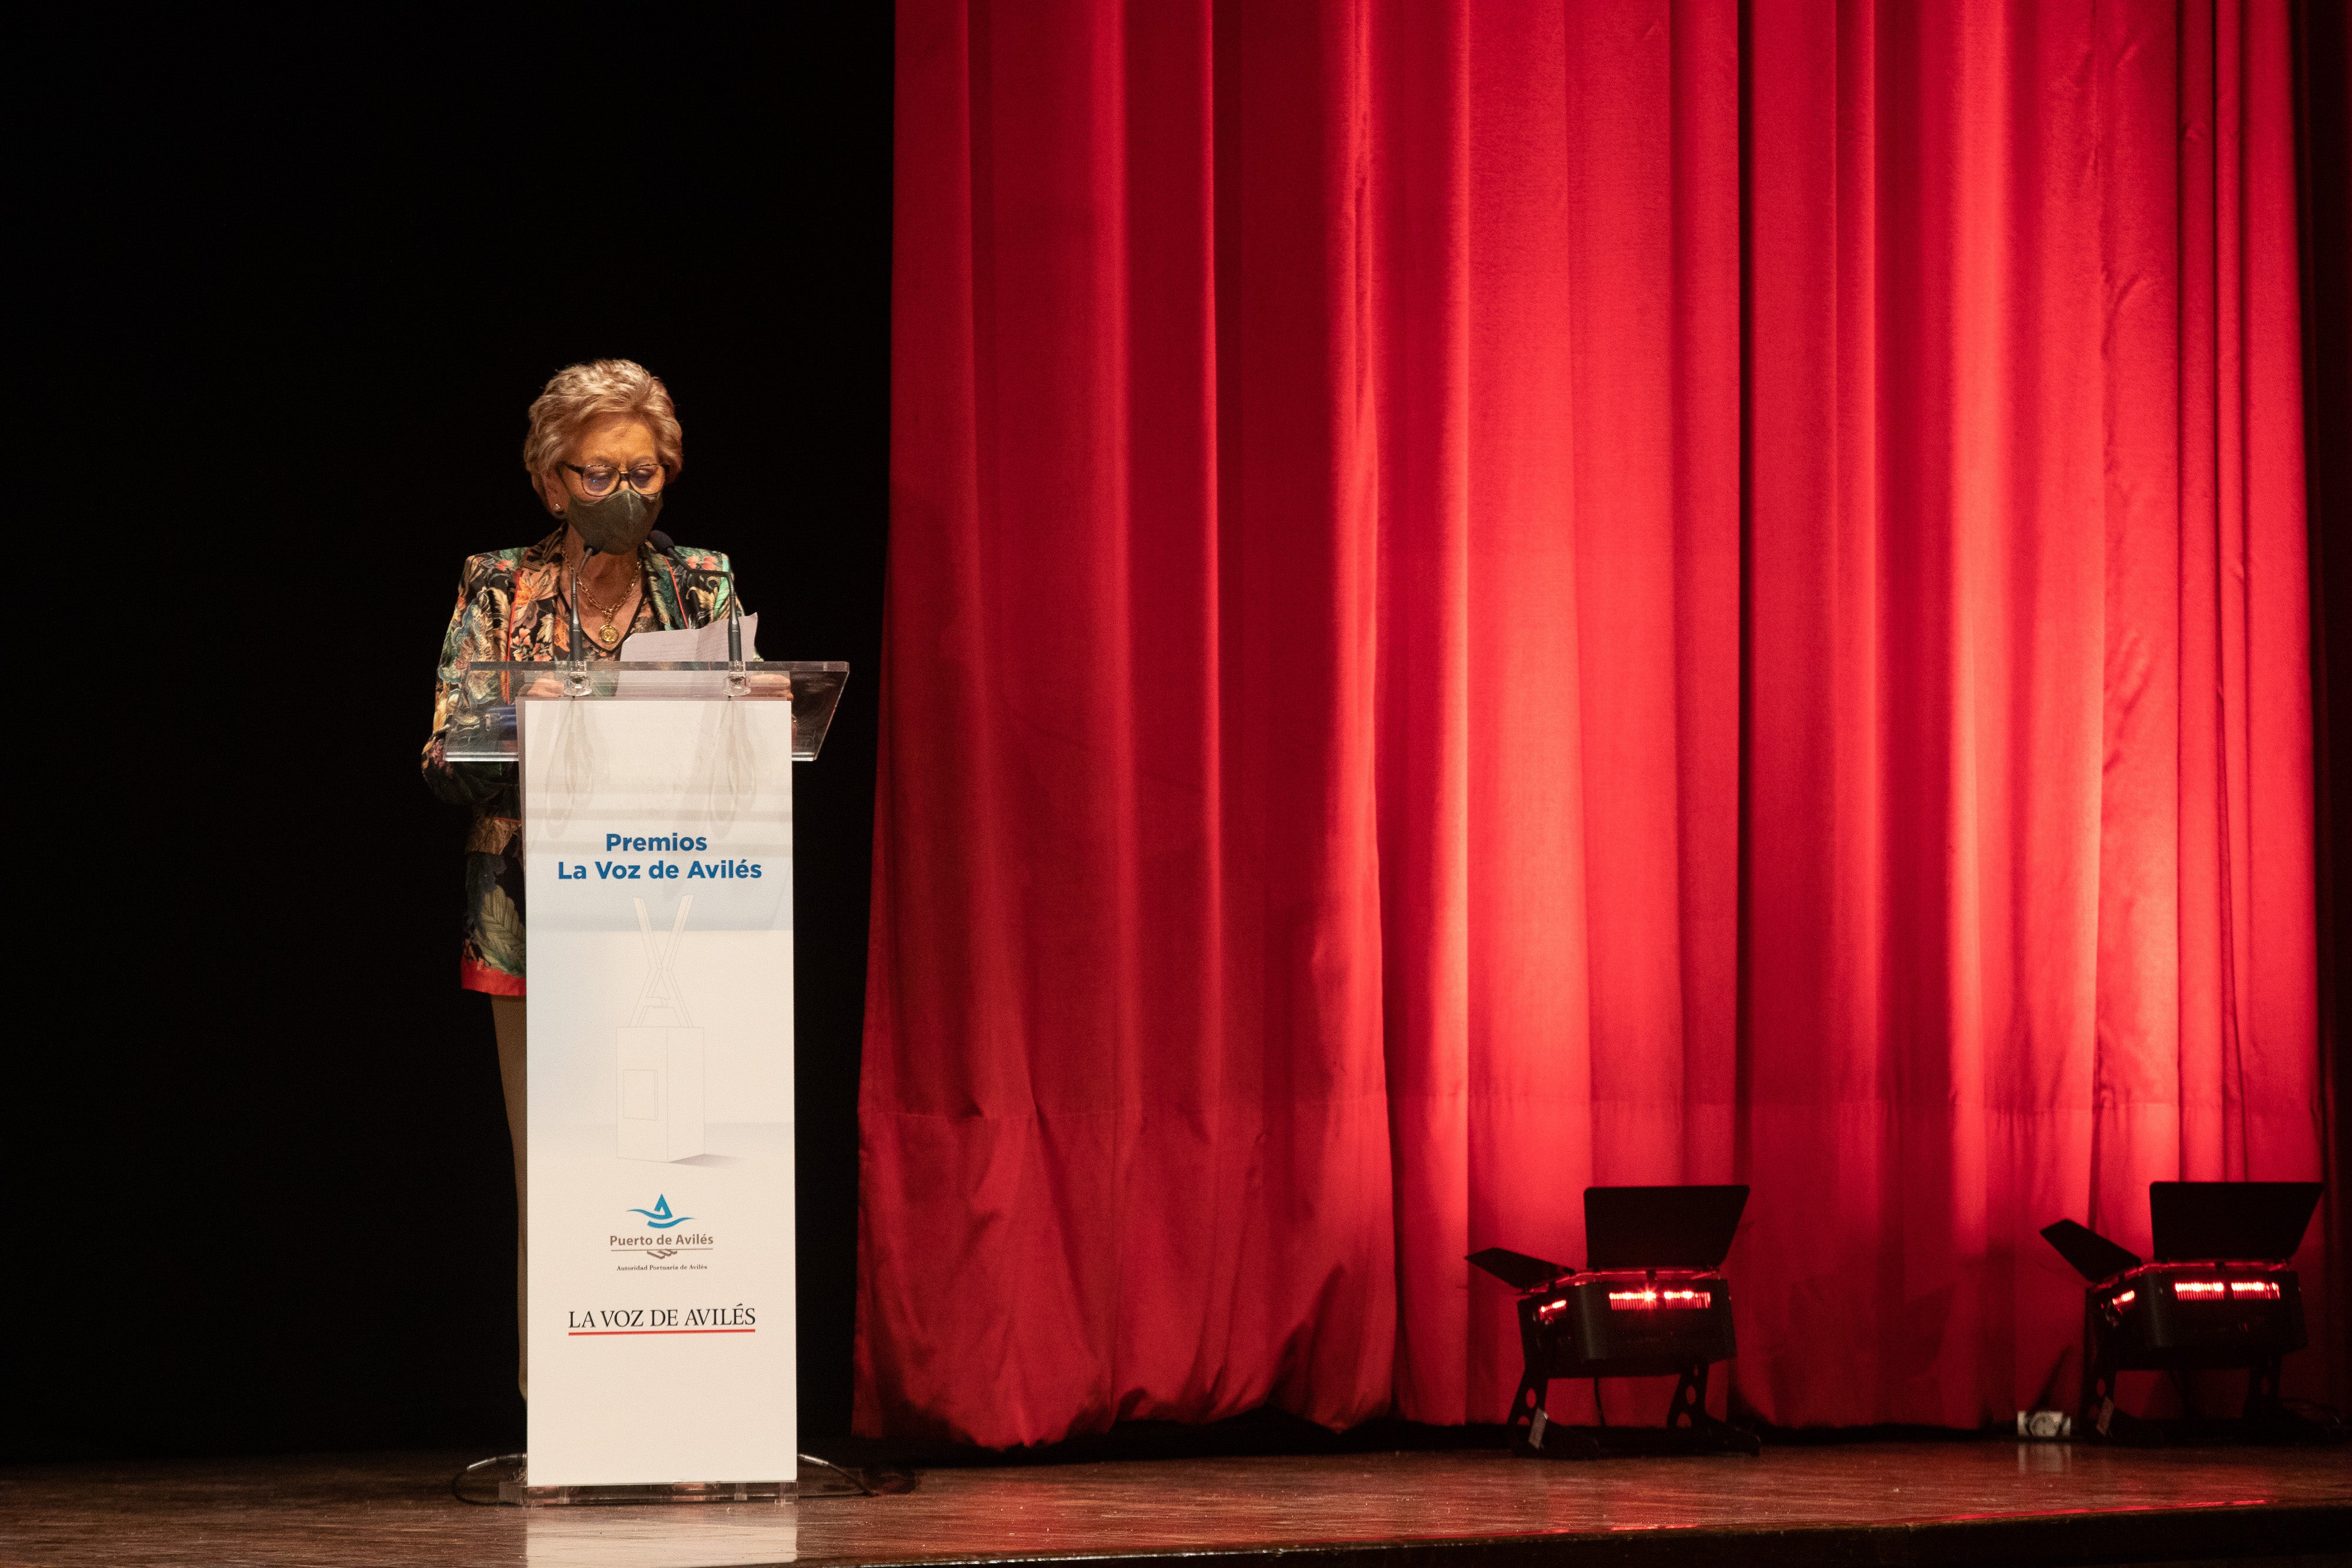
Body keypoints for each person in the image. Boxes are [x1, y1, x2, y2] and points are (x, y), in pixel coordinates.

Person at [419, 359, 741, 1396]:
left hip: (686, 914)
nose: (627, 496)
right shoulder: (497, 587)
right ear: (552, 482)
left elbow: (747, 745)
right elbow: (446, 756)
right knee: (558, 1169)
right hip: (535, 920)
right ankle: (564, 1403)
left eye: (645, 473)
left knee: (682, 1168)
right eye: (600, 476)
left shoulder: (703, 584)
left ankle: (690, 1396)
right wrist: (557, 724)